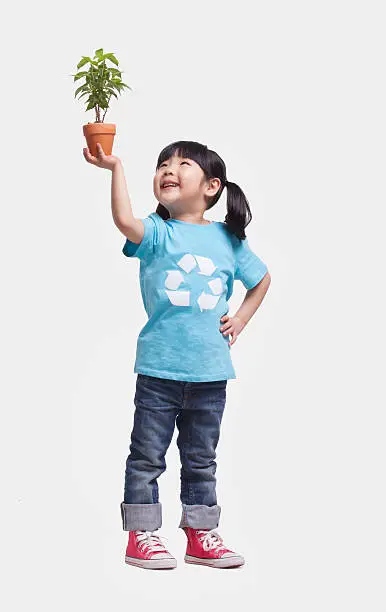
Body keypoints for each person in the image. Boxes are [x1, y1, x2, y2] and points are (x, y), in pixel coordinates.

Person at [83, 140, 271, 570]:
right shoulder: (157, 232)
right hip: (158, 370)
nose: (168, 169)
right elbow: (123, 220)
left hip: (210, 374)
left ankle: (201, 534)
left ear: (211, 186)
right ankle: (141, 534)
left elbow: (261, 280)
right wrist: (115, 168)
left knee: (201, 459)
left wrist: (240, 318)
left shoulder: (227, 238)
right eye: (162, 164)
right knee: (147, 456)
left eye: (182, 164)